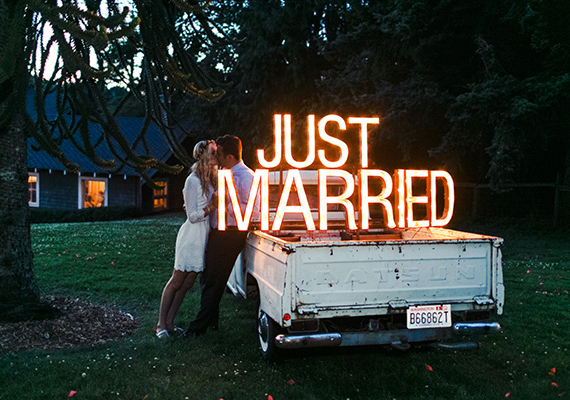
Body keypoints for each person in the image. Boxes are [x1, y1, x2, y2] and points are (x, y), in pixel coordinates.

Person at [185, 134, 258, 336]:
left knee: (214, 280)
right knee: (208, 277)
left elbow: (254, 210)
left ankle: (198, 327)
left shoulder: (244, 177)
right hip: (219, 232)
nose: (217, 156)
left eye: (220, 153)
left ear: (230, 156)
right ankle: (211, 321)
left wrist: (226, 207)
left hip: (231, 234)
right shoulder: (227, 173)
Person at [155, 139, 218, 338]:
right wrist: (211, 207)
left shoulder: (211, 178)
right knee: (177, 280)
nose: (217, 155)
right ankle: (160, 324)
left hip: (203, 236)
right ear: (204, 155)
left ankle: (171, 323)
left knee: (189, 282)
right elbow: (192, 216)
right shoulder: (192, 180)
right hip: (191, 236)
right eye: (214, 152)